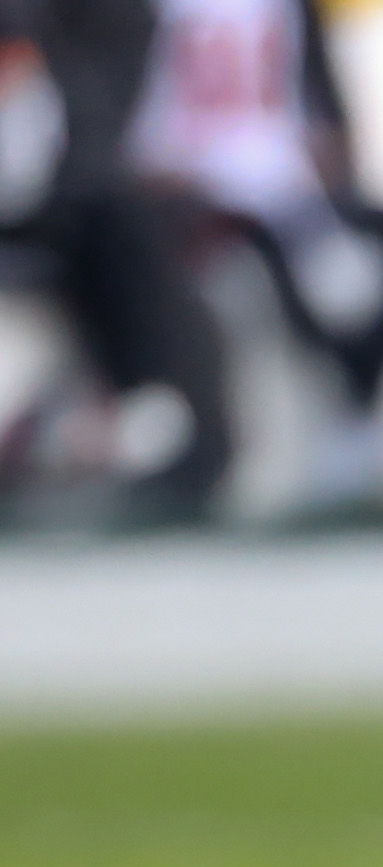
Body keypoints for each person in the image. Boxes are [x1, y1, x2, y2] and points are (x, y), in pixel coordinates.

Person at [126, 0, 383, 519]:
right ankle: (248, 443)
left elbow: (323, 104)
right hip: (197, 190)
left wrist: (333, 155)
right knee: (269, 259)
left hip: (285, 185)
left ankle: (360, 410)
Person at [0, 0, 234, 524]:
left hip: (62, 202)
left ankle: (168, 446)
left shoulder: (119, 20)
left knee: (141, 255)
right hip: (54, 201)